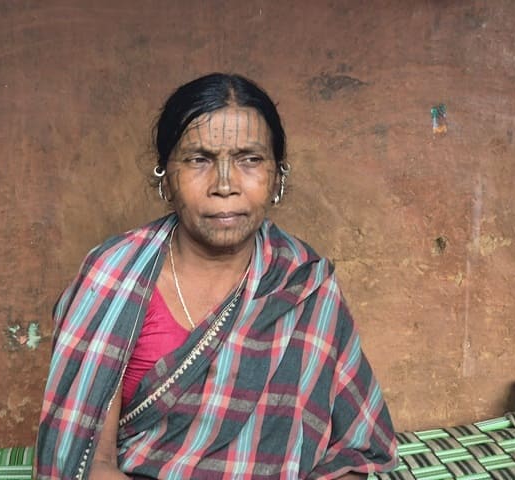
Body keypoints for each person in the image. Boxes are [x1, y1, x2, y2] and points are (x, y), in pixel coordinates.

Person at [35, 73, 397, 480]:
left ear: (277, 177)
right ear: (165, 178)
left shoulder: (304, 285)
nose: (225, 185)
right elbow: (87, 462)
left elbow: (355, 452)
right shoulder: (113, 278)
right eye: (199, 160)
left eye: (250, 159)